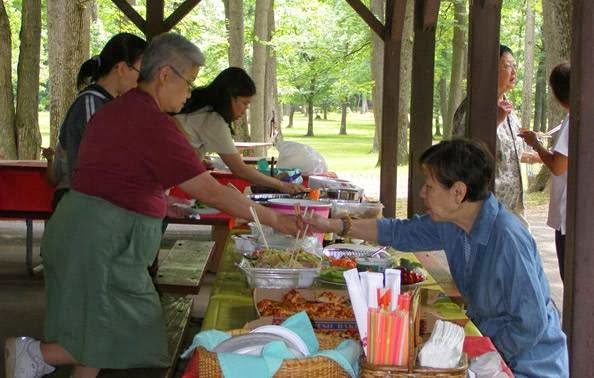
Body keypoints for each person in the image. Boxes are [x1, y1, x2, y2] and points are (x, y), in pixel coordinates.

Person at [4, 33, 299, 378]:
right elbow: (212, 191)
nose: (190, 92)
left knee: (98, 333)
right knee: (124, 329)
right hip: (99, 241)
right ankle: (33, 351)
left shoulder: (123, 109)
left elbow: (116, 174)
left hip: (91, 233)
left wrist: (160, 200)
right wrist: (275, 220)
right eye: (188, 82)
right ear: (165, 75)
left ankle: (35, 355)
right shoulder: (151, 121)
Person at [303, 139, 568, 377]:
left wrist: (477, 359)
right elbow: (399, 232)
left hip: (526, 365)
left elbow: (530, 325)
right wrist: (335, 226)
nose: (422, 194)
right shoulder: (453, 221)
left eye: (429, 186)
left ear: (458, 192)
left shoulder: (508, 239)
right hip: (488, 350)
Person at [43, 32, 148, 210]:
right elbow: (97, 165)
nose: (142, 80)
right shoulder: (90, 103)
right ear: (122, 68)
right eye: (141, 72)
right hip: (81, 206)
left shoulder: (112, 104)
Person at [175, 67, 305, 194]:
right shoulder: (213, 119)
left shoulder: (201, 108)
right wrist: (281, 185)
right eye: (244, 103)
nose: (245, 110)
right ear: (230, 97)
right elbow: (239, 169)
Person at [452, 45, 529, 226]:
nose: (514, 72)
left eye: (515, 66)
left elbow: (510, 153)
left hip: (512, 208)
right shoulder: (472, 108)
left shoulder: (508, 108)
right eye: (508, 65)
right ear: (491, 69)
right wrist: (495, 121)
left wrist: (536, 155)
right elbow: (462, 150)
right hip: (486, 211)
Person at [519, 63, 570, 281]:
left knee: (570, 276)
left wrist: (536, 145)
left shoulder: (574, 121)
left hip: (571, 215)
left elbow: (559, 166)